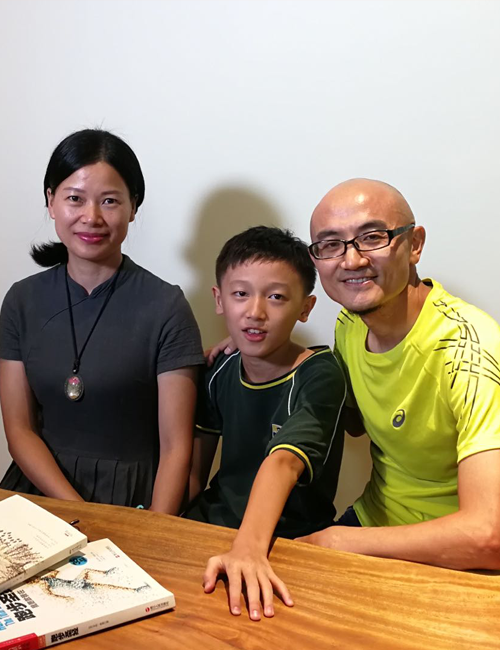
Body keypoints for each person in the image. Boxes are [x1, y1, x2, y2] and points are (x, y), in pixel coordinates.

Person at [297, 178, 500, 571]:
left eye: (372, 237)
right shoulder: (349, 324)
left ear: (415, 244)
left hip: (454, 550)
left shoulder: (469, 350)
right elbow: (353, 424)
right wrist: (257, 350)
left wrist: (338, 540)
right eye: (331, 244)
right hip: (375, 519)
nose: (352, 260)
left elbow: (488, 535)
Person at [0, 128, 204, 513]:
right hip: (39, 493)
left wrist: (152, 530)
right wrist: (79, 512)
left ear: (133, 207)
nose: (91, 217)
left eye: (109, 201)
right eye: (74, 198)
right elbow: (20, 431)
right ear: (51, 202)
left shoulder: (166, 306)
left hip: (133, 501)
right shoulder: (21, 301)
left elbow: (176, 449)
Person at [184, 226, 346, 620]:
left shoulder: (319, 374)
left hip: (287, 539)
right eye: (240, 294)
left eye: (276, 297)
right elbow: (194, 469)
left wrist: (247, 548)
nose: (255, 312)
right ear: (219, 299)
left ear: (305, 307)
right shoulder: (220, 369)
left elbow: (284, 462)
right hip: (213, 526)